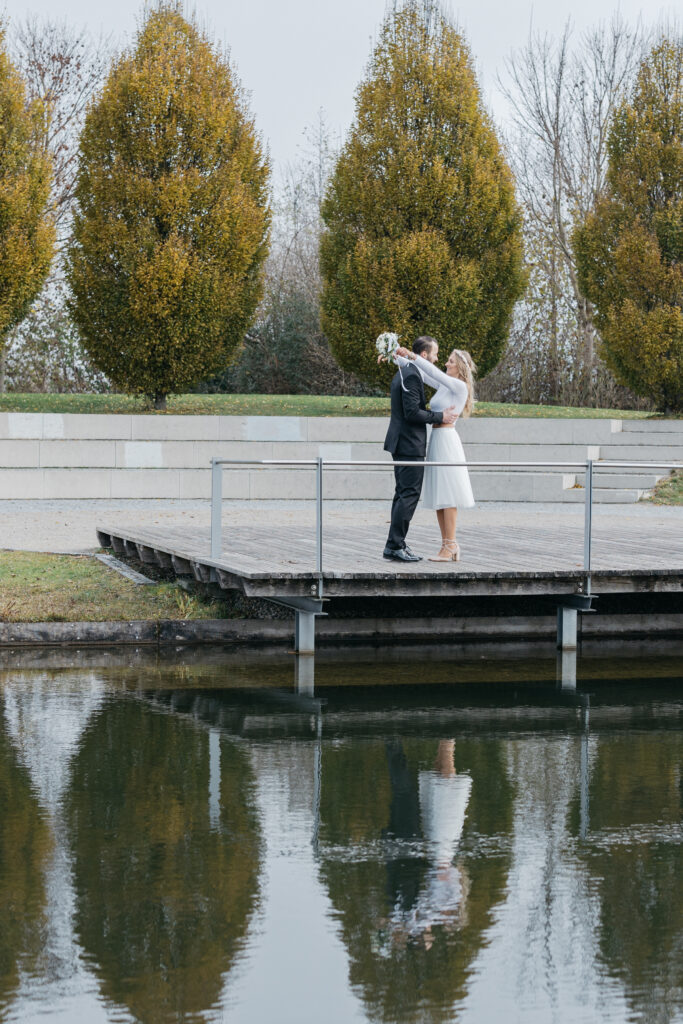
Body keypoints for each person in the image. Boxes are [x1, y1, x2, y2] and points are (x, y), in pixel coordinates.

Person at [394, 345, 476, 561]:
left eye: (451, 361)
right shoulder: (444, 386)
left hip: (448, 440)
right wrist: (396, 357)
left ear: (460, 367)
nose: (446, 363)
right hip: (437, 439)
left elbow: (433, 372)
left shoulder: (459, 386)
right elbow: (422, 373)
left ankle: (451, 544)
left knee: (449, 495)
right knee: (441, 495)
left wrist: (412, 354)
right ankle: (446, 545)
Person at [381, 337, 457, 563]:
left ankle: (395, 543)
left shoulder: (407, 371)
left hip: (402, 442)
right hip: (408, 443)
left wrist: (394, 356)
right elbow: (413, 412)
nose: (437, 358)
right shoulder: (412, 375)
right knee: (408, 495)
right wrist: (440, 416)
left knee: (402, 494)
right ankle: (395, 546)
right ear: (424, 355)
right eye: (435, 353)